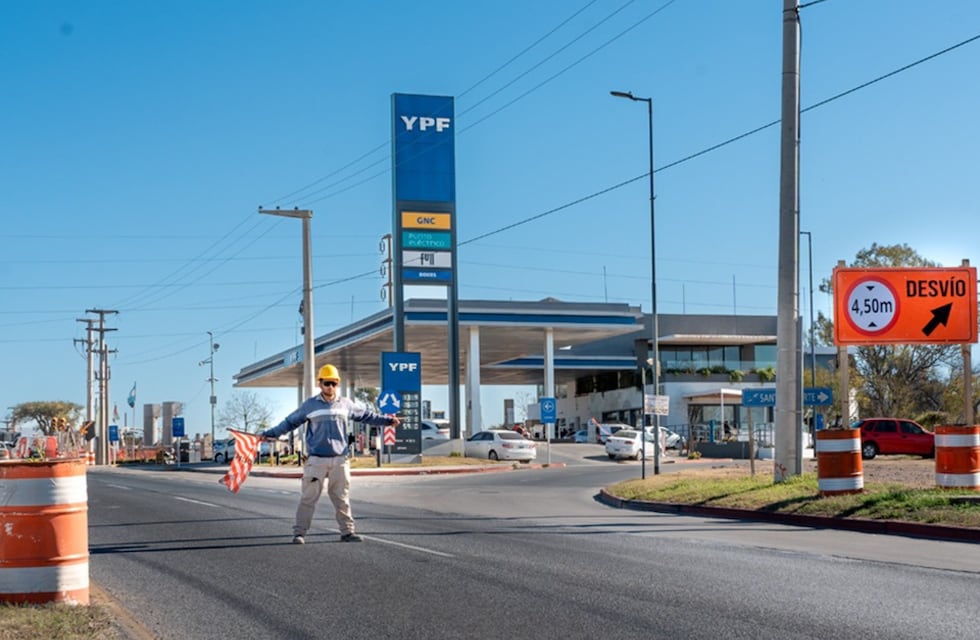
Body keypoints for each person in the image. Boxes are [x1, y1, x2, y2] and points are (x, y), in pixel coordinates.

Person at [260, 363, 400, 544]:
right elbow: (289, 423)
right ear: (320, 384)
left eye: (334, 383)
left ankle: (347, 532)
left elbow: (367, 415)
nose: (331, 387)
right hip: (316, 460)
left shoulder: (346, 404)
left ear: (338, 384)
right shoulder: (310, 405)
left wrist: (388, 421)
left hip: (340, 460)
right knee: (308, 498)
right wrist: (270, 434)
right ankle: (299, 533)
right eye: (327, 383)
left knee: (342, 498)